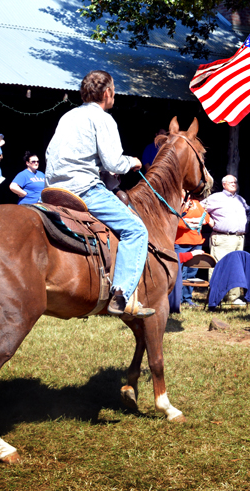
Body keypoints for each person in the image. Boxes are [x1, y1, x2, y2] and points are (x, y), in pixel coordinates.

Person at [44, 70, 152, 318]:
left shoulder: (67, 116)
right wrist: (133, 162)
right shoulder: (103, 118)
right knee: (136, 229)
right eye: (113, 92)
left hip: (52, 190)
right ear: (107, 93)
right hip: (83, 189)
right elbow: (114, 163)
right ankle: (121, 295)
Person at [201, 175, 250, 299]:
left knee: (237, 268)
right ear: (224, 184)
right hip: (223, 238)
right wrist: (209, 220)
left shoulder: (240, 199)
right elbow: (199, 208)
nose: (234, 183)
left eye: (235, 182)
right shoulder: (216, 197)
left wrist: (246, 222)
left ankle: (233, 298)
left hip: (239, 238)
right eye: (230, 182)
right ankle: (216, 297)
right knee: (219, 267)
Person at [176, 190, 210, 308]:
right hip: (181, 242)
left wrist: (194, 221)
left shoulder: (196, 203)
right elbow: (176, 222)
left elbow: (206, 218)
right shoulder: (176, 203)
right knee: (180, 272)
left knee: (192, 271)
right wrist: (191, 222)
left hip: (197, 242)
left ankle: (187, 298)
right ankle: (178, 299)